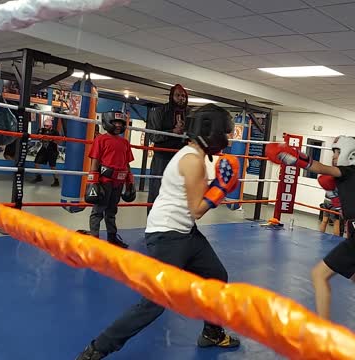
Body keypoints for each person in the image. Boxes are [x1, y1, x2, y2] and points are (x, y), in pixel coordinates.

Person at [76, 104, 241, 360]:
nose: (227, 140)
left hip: (186, 232)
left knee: (216, 275)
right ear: (213, 131)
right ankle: (97, 349)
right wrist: (221, 188)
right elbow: (198, 209)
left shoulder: (194, 155)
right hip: (167, 236)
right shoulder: (192, 160)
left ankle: (212, 333)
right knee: (154, 304)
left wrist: (220, 185)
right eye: (225, 134)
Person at [265, 136, 355, 336]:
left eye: (337, 151)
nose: (334, 156)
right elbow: (351, 208)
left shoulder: (348, 172)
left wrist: (292, 158)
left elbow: (320, 168)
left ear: (350, 153)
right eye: (333, 151)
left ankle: (322, 331)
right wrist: (335, 197)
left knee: (318, 275)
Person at [84, 111, 134, 249]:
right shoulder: (101, 139)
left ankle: (112, 237)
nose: (118, 125)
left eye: (121, 123)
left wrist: (130, 181)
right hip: (104, 182)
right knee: (98, 211)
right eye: (115, 122)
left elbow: (127, 163)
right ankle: (94, 239)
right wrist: (93, 181)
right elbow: (95, 161)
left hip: (119, 182)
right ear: (107, 123)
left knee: (112, 211)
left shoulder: (125, 142)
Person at [146, 84, 188, 215]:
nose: (181, 98)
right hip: (162, 158)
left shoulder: (190, 114)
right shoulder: (159, 112)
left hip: (181, 158)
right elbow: (153, 135)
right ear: (171, 96)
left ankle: (173, 227)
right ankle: (152, 226)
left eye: (183, 96)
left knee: (180, 194)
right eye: (178, 95)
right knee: (157, 191)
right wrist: (173, 132)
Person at [31, 117, 60, 186]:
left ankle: (56, 181)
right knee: (36, 162)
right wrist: (40, 138)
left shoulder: (55, 132)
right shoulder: (41, 130)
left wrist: (50, 139)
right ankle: (38, 177)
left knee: (52, 166)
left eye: (47, 126)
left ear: (51, 126)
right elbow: (37, 138)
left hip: (53, 150)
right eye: (45, 126)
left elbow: (59, 141)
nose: (45, 127)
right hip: (44, 148)